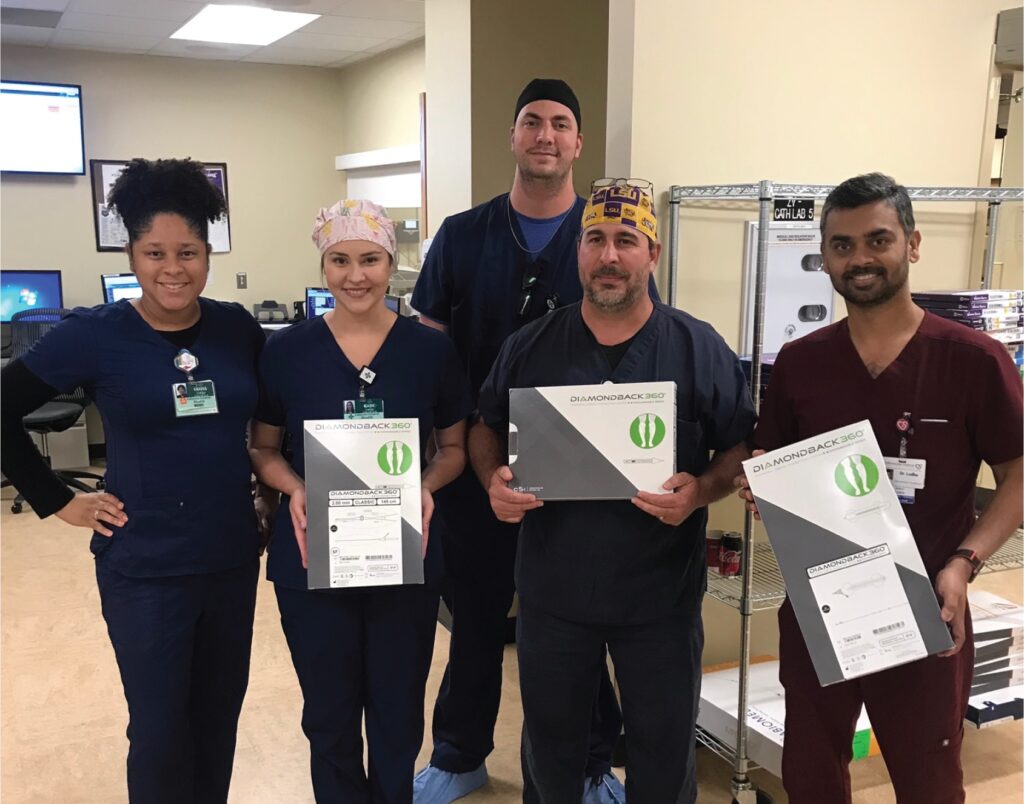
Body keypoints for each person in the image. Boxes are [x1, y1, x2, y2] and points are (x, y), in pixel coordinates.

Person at [736, 173, 1024, 804]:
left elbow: (1018, 475)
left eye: (877, 240)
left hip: (927, 607)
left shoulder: (973, 361)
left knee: (929, 782)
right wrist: (762, 486)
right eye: (841, 246)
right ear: (825, 257)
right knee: (811, 776)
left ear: (912, 244)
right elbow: (770, 456)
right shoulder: (801, 362)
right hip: (822, 607)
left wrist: (964, 563)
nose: (859, 259)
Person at [470, 182, 757, 803]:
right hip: (554, 593)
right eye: (595, 239)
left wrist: (701, 490)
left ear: (652, 254)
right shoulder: (532, 346)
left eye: (627, 240)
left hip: (659, 597)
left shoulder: (696, 347)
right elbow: (483, 426)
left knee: (663, 750)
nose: (609, 255)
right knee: (551, 752)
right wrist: (493, 477)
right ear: (579, 251)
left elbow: (741, 446)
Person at [0, 157, 266, 803]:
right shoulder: (97, 335)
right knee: (159, 728)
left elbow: (277, 417)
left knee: (216, 719)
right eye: (154, 253)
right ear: (131, 253)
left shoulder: (236, 328)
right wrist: (59, 499)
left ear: (209, 252)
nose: (172, 268)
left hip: (230, 557)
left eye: (188, 252)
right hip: (144, 564)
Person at [412, 77, 633, 804]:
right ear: (512, 138)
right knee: (476, 614)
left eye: (560, 124)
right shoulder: (464, 234)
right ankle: (459, 752)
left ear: (577, 144)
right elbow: (432, 352)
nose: (545, 135)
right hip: (479, 458)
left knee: (581, 619)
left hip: (579, 467)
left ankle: (593, 763)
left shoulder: (602, 241)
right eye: (531, 121)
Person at [249, 200, 472, 803]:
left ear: (391, 262)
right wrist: (293, 487)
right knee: (329, 712)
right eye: (340, 260)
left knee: (398, 711)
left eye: (370, 260)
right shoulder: (287, 351)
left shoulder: (429, 351)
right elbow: (263, 448)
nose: (356, 275)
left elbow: (453, 447)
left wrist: (424, 486)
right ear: (323, 266)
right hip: (312, 556)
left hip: (404, 555)